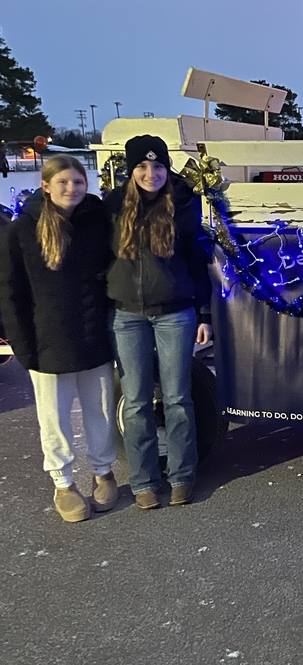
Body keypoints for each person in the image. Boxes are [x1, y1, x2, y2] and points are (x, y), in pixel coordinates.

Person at [0, 155, 119, 522]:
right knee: (54, 418)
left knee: (99, 411)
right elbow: (10, 291)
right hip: (47, 341)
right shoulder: (21, 231)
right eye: (64, 183)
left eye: (78, 182)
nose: (72, 189)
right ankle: (64, 482)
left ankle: (104, 472)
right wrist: (22, 344)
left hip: (94, 335)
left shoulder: (97, 222)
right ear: (46, 185)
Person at [105, 135, 213, 510]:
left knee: (178, 398)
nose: (150, 173)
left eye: (158, 166)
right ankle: (144, 481)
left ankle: (183, 476)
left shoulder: (183, 205)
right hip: (126, 315)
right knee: (135, 402)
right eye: (142, 166)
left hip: (175, 314)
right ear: (130, 170)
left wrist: (204, 313)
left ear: (167, 168)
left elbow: (198, 262)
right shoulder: (113, 206)